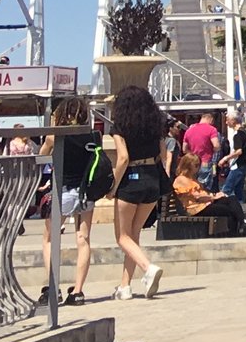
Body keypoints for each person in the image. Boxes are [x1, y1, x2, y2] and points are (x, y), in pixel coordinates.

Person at [102, 86, 171, 300]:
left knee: (122, 236)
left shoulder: (120, 127)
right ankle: (125, 286)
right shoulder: (155, 126)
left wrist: (113, 187)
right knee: (134, 235)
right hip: (152, 178)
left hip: (131, 178)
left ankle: (148, 268)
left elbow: (122, 158)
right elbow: (164, 154)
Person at [43, 105, 108, 306]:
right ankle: (78, 291)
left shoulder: (55, 137)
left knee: (50, 239)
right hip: (85, 192)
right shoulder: (94, 136)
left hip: (61, 190)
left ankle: (53, 288)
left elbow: (41, 156)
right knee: (83, 239)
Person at [170, 152, 245, 230]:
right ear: (188, 166)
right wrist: (213, 197)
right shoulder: (181, 179)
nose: (198, 168)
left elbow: (202, 193)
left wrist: (216, 195)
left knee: (230, 199)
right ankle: (234, 232)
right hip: (196, 209)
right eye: (196, 166)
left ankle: (243, 223)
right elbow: (197, 197)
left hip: (204, 204)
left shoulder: (192, 178)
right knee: (228, 210)